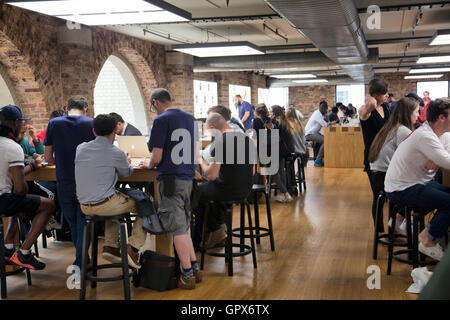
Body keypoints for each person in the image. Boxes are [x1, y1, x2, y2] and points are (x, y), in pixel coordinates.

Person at [139, 88, 200, 290]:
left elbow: (156, 157)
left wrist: (147, 166)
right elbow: (195, 151)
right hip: (188, 177)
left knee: (177, 228)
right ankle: (194, 268)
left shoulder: (161, 120)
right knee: (184, 225)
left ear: (155, 102)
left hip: (170, 179)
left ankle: (187, 275)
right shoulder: (191, 119)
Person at [74, 114, 151, 269]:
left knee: (113, 196)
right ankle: (133, 248)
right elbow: (127, 173)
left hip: (84, 206)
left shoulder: (80, 148)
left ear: (94, 131)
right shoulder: (116, 152)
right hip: (105, 204)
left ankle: (110, 246)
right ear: (116, 129)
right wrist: (126, 161)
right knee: (147, 204)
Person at [385, 99, 450, 261]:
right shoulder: (425, 136)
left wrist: (437, 159)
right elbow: (447, 162)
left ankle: (426, 232)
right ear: (442, 117)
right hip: (402, 188)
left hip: (411, 183)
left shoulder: (430, 133)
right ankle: (428, 240)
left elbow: (443, 154)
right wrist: (439, 159)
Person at [0, 105, 54, 270]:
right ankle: (24, 252)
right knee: (48, 204)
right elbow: (20, 189)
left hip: (5, 198)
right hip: (3, 200)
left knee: (21, 203)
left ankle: (8, 246)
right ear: (16, 123)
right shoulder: (12, 147)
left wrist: (30, 168)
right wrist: (33, 167)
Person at [44, 97, 95, 268]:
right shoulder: (92, 124)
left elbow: (48, 158)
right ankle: (81, 261)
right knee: (82, 222)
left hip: (64, 180)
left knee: (73, 223)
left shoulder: (54, 124)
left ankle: (80, 261)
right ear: (85, 109)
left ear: (67, 108)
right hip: (86, 181)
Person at [194, 112, 254, 250]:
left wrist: (200, 160)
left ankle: (211, 232)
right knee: (208, 190)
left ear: (214, 127)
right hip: (245, 190)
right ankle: (219, 227)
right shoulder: (246, 139)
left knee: (196, 192)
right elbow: (252, 171)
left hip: (227, 190)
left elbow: (212, 175)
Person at [367, 97, 419, 236]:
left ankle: (395, 225)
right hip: (384, 177)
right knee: (420, 189)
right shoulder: (403, 131)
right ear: (408, 114)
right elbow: (419, 156)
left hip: (377, 175)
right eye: (416, 112)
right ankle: (397, 225)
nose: (418, 115)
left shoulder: (391, 127)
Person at [359, 78, 391, 204]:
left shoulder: (386, 108)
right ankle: (378, 224)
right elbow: (372, 104)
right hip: (373, 157)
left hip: (387, 156)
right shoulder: (364, 110)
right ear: (376, 95)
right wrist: (369, 96)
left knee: (388, 194)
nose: (387, 95)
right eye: (384, 93)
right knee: (378, 196)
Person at [270, 105, 295, 203]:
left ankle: (285, 193)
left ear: (274, 113)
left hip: (279, 150)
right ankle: (282, 194)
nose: (269, 113)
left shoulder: (277, 123)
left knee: (272, 172)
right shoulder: (284, 122)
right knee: (281, 171)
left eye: (270, 111)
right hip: (285, 150)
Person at [305, 101, 336, 167]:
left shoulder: (319, 113)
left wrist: (327, 116)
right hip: (310, 134)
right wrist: (331, 122)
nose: (326, 110)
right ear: (323, 108)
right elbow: (326, 125)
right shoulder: (318, 114)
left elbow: (326, 122)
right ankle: (318, 160)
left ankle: (319, 159)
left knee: (326, 139)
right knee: (326, 141)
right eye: (326, 109)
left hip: (313, 133)